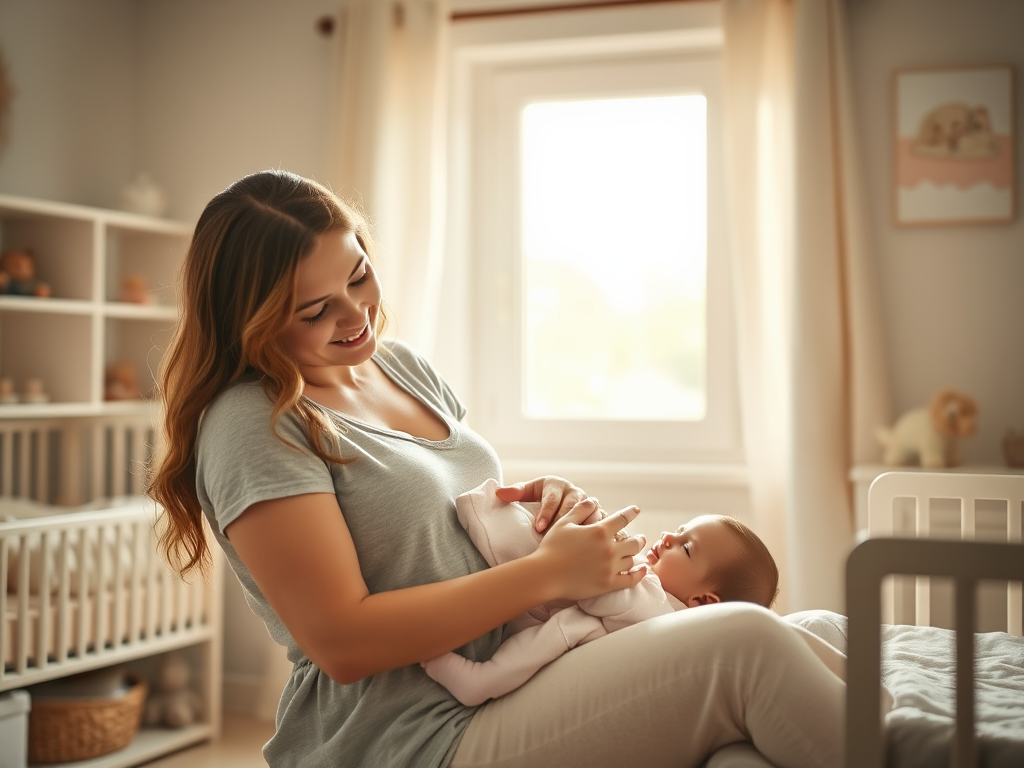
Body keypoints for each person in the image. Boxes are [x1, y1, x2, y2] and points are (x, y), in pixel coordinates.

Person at [149, 169, 850, 768]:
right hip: (418, 728)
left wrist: (543, 510)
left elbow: (454, 523)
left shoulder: (400, 367)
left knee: (817, 628)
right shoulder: (254, 423)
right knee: (746, 642)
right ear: (253, 318)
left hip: (525, 665)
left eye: (359, 275)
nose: (357, 313)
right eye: (315, 310)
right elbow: (342, 641)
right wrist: (550, 573)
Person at [422, 478, 781, 705]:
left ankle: (478, 682)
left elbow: (599, 589)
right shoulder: (651, 588)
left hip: (560, 646)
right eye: (681, 530)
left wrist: (601, 551)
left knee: (521, 659)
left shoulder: (661, 613)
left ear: (702, 601)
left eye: (686, 548)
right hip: (562, 627)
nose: (669, 537)